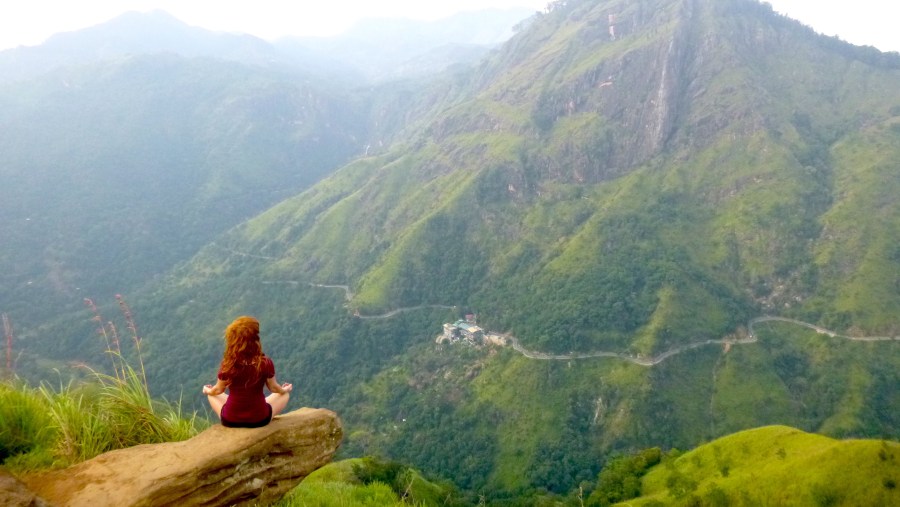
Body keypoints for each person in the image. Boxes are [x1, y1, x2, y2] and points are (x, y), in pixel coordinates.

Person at [202, 316, 293, 428]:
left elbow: (218, 390)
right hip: (259, 419)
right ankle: (256, 405)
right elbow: (274, 388)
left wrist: (207, 390)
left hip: (231, 420)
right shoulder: (265, 363)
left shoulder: (228, 363)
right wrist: (285, 389)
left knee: (212, 395)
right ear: (255, 340)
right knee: (284, 395)